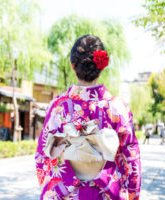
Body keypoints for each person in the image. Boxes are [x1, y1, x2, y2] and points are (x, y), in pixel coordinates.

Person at [35, 35, 141, 200]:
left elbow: (43, 155)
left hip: (67, 194)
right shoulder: (118, 108)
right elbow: (131, 159)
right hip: (106, 194)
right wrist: (131, 194)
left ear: (72, 66)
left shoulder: (58, 107)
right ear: (102, 66)